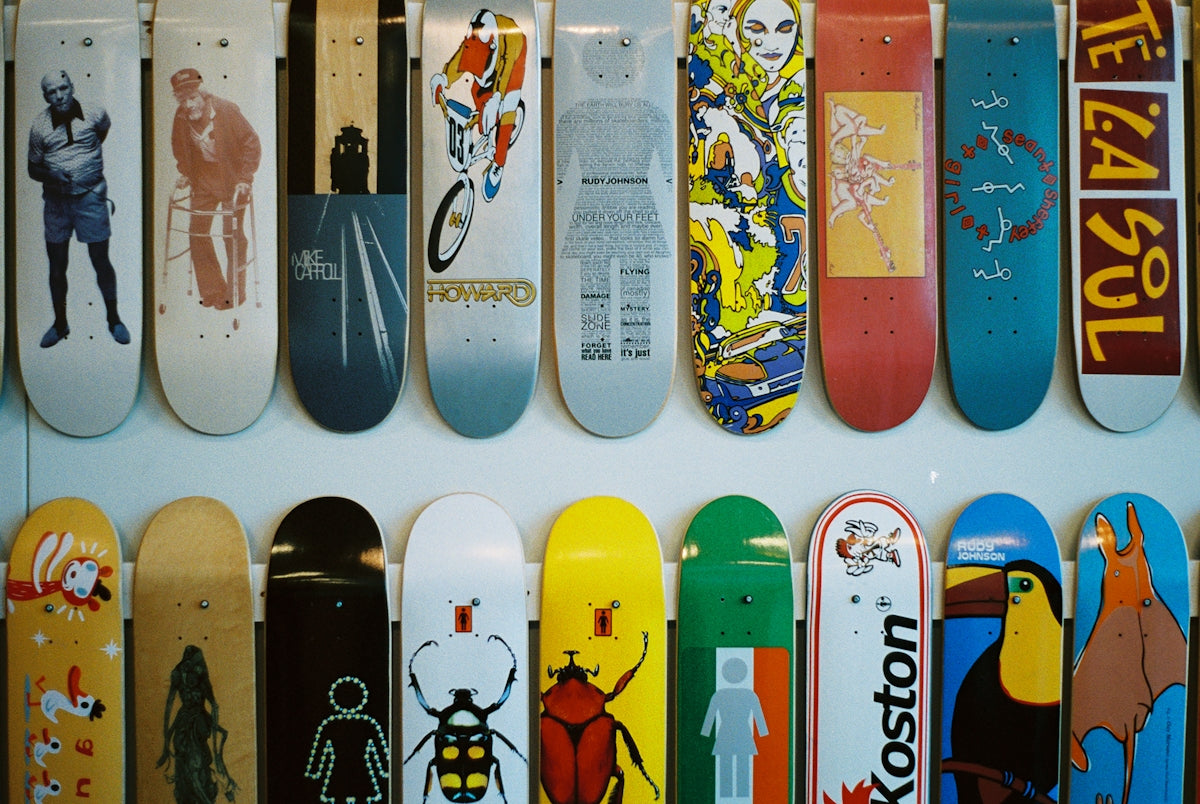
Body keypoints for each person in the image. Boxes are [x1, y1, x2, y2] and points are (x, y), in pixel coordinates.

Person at [28, 70, 128, 348]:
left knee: (101, 261)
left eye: (63, 88)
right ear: (45, 96)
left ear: (72, 86)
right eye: (51, 91)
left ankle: (114, 320)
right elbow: (32, 168)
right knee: (57, 267)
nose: (59, 96)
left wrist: (85, 167)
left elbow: (102, 132)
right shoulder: (39, 127)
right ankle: (60, 325)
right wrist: (51, 176)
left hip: (91, 198)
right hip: (56, 204)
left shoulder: (95, 113)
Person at [169, 68, 261, 309]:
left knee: (230, 234)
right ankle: (212, 291)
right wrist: (186, 173)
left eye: (192, 98)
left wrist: (245, 178)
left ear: (204, 95)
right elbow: (178, 146)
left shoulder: (227, 110)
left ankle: (234, 292)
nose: (188, 105)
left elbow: (252, 142)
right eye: (182, 99)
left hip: (232, 178)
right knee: (197, 232)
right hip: (204, 179)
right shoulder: (181, 116)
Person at [431, 9, 527, 201]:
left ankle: (498, 164)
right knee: (477, 91)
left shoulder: (510, 41)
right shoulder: (473, 37)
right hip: (490, 66)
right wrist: (444, 78)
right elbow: (459, 60)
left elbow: (505, 75)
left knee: (507, 105)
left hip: (513, 62)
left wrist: (497, 99)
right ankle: (488, 121)